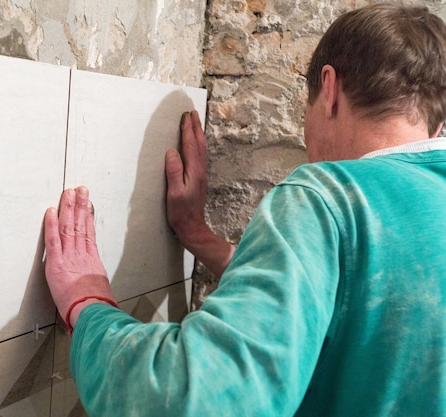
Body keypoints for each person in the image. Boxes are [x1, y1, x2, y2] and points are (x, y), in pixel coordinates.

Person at [43, 4, 446, 416]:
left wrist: (86, 304)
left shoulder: (328, 198)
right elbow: (362, 292)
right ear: (434, 125)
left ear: (329, 89)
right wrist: (196, 233)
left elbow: (189, 399)